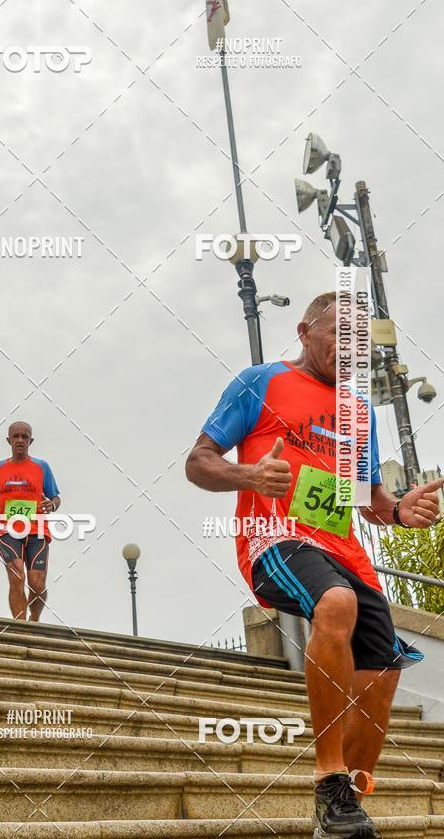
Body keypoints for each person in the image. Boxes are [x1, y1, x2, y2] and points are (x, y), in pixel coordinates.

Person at [185, 291, 443, 839]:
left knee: (385, 663)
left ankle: (344, 807)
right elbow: (199, 462)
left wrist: (400, 510)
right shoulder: (260, 382)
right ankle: (328, 780)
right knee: (336, 602)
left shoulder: (359, 413)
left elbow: (368, 500)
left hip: (343, 550)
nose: (349, 350)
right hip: (275, 538)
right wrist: (251, 476)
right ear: (304, 333)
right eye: (338, 335)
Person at [0, 421, 60, 622]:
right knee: (17, 576)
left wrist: (52, 505)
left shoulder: (42, 467)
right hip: (7, 530)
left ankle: (34, 619)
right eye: (16, 436)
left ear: (30, 441)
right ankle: (20, 626)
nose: (20, 440)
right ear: (9, 440)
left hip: (37, 529)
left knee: (37, 583)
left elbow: (55, 497)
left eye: (25, 437)